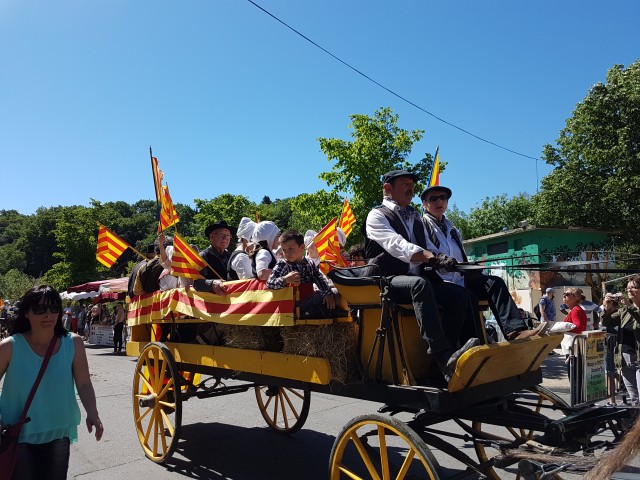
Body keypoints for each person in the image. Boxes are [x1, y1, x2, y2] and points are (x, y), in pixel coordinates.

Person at [363, 169, 479, 382]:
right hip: (387, 280)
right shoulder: (377, 215)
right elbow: (398, 245)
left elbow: (427, 246)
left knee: (460, 295)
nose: (411, 188)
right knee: (419, 284)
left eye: (412, 184)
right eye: (405, 184)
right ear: (388, 189)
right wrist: (432, 257)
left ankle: (456, 353)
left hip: (418, 281)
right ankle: (440, 355)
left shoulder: (415, 217)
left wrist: (448, 260)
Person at [0, 285, 103, 479]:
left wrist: (93, 412)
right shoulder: (10, 347)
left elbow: (84, 383)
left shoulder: (73, 343)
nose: (48, 314)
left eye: (54, 307)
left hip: (58, 432)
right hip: (18, 434)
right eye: (40, 309)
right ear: (27, 313)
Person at [420, 184, 539, 341]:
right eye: (433, 198)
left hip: (461, 280)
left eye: (443, 197)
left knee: (494, 283)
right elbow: (422, 253)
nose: (439, 201)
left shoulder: (453, 230)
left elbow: (461, 258)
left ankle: (515, 331)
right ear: (424, 204)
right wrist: (440, 261)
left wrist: (471, 267)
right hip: (439, 282)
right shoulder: (421, 226)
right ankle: (466, 344)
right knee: (466, 296)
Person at [266, 230, 337, 318]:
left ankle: (333, 313)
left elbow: (319, 279)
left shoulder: (309, 263)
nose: (287, 253)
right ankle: (329, 313)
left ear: (302, 247)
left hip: (308, 300)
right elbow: (270, 283)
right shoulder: (283, 264)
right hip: (293, 306)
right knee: (319, 300)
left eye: (291, 249)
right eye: (284, 250)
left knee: (335, 294)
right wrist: (285, 279)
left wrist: (327, 293)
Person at [602, 275, 640, 406]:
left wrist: (629, 305)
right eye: (628, 288)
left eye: (634, 287)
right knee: (634, 399)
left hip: (638, 359)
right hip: (625, 358)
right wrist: (606, 308)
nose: (629, 290)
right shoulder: (624, 310)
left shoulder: (629, 307)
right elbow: (608, 322)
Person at [193, 220, 232, 294]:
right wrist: (212, 283)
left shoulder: (229, 255)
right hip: (213, 303)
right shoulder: (203, 256)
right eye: (221, 234)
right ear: (211, 236)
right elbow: (197, 284)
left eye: (228, 235)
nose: (225, 238)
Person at [559, 288, 588, 375]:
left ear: (576, 298)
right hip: (575, 347)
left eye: (567, 294)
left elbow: (579, 327)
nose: (564, 295)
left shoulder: (575, 310)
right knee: (576, 375)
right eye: (564, 293)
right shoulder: (576, 309)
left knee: (574, 376)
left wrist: (563, 328)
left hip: (574, 347)